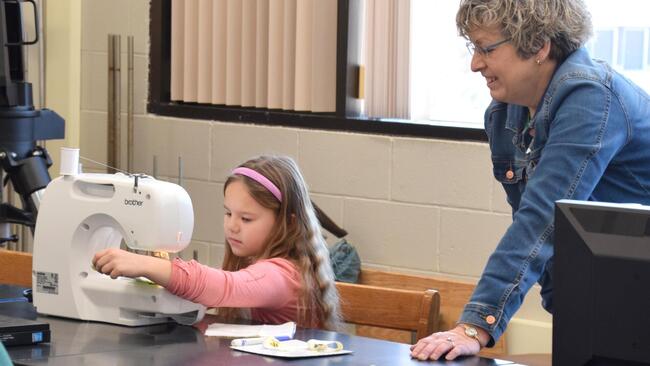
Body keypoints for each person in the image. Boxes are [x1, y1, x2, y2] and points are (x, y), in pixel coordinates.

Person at [411, 0, 650, 361]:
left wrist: (476, 325)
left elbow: (540, 222)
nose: (475, 64)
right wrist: (570, 317)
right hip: (601, 310)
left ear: (539, 45)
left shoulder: (591, 97)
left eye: (486, 49)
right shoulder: (505, 114)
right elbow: (559, 245)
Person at [93, 155, 341, 330]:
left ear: (288, 222)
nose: (232, 225)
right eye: (228, 213)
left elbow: (225, 286)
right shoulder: (268, 266)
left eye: (246, 218)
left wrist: (144, 264)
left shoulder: (283, 276)